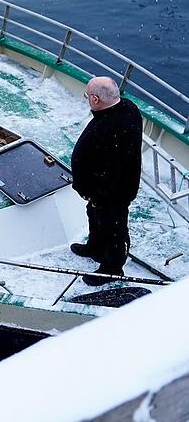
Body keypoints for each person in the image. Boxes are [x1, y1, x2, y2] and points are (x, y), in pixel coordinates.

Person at [70, 77, 142, 286]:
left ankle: (112, 268)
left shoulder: (105, 128)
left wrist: (88, 189)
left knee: (114, 227)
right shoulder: (129, 108)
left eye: (87, 96)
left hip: (111, 192)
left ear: (95, 99)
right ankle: (95, 247)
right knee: (95, 215)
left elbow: (106, 166)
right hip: (111, 187)